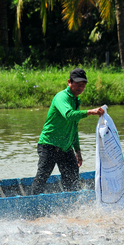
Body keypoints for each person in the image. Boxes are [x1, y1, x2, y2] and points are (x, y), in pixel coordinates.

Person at [31, 67, 104, 195]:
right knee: (42, 177)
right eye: (78, 84)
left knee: (72, 178)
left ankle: (70, 204)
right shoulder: (61, 97)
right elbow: (69, 115)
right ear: (69, 82)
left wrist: (78, 152)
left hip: (65, 148)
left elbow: (74, 128)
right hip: (49, 145)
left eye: (83, 85)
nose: (80, 88)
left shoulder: (76, 101)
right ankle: (31, 205)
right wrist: (90, 112)